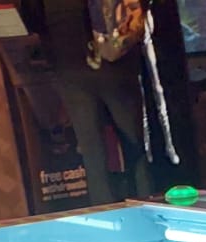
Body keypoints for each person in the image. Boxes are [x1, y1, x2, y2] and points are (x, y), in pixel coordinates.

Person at [34, 0, 150, 204]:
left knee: (92, 152)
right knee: (134, 146)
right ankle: (145, 204)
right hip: (117, 63)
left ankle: (104, 211)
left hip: (69, 63)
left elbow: (34, 17)